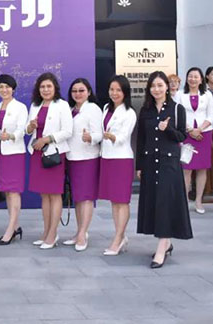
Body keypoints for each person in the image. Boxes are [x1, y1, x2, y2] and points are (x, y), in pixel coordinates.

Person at [136, 71, 193, 268]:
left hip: (169, 163)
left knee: (166, 202)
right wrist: (139, 165)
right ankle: (166, 243)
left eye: (160, 85)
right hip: (150, 162)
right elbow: (141, 139)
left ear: (167, 87)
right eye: (153, 86)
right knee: (155, 202)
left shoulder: (177, 109)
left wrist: (166, 129)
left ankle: (161, 249)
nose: (156, 89)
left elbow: (182, 136)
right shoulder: (146, 110)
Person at [26, 72, 73, 249]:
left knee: (54, 194)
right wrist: (30, 127)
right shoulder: (35, 105)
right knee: (44, 194)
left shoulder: (62, 105)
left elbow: (67, 131)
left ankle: (53, 234)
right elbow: (28, 130)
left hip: (53, 154)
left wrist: (47, 139)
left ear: (55, 88)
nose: (45, 90)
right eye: (42, 87)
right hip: (37, 153)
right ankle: (46, 232)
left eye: (49, 86)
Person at [98, 75, 137, 256]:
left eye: (118, 90)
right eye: (112, 89)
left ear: (125, 92)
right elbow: (102, 131)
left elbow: (123, 137)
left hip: (121, 159)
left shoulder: (129, 112)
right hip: (107, 157)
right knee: (114, 201)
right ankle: (119, 235)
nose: (114, 93)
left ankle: (118, 238)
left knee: (122, 200)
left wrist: (112, 137)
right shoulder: (106, 108)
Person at [63, 78, 102, 252]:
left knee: (86, 198)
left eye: (81, 90)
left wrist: (90, 138)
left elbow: (99, 133)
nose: (78, 94)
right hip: (72, 158)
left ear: (89, 92)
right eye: (74, 91)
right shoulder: (71, 110)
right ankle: (80, 231)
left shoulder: (92, 109)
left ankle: (83, 234)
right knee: (78, 198)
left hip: (87, 158)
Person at [0, 74, 28, 246]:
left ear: (13, 89)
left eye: (7, 87)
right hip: (0, 152)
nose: (4, 90)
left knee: (14, 191)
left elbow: (22, 130)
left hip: (14, 153)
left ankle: (10, 229)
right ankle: (16, 225)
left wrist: (11, 136)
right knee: (7, 191)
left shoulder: (20, 107)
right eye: (1, 87)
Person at [179, 67, 213, 214]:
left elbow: (211, 115)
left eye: (196, 77)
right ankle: (185, 200)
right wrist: (190, 130)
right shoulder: (180, 94)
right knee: (186, 168)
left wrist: (199, 129)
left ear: (201, 80)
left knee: (202, 168)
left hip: (203, 134)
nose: (192, 79)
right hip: (186, 134)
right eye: (190, 76)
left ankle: (199, 200)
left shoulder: (207, 95)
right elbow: (177, 114)